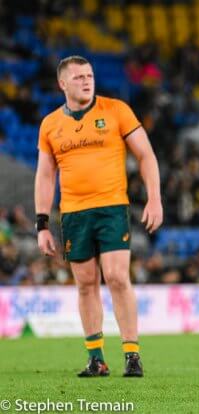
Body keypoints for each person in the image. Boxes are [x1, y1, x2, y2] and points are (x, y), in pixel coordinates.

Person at [35, 55, 163, 378]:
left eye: (89, 75)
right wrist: (42, 224)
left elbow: (146, 154)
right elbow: (45, 176)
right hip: (74, 214)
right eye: (78, 77)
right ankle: (96, 358)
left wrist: (155, 198)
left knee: (117, 276)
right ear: (62, 83)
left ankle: (132, 355)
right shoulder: (50, 125)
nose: (87, 81)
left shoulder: (116, 110)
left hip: (111, 207)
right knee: (85, 283)